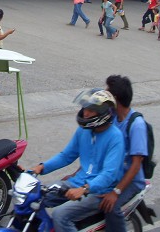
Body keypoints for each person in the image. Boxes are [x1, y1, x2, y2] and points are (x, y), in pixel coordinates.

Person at [29, 89, 124, 232]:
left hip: (98, 192)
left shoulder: (115, 137)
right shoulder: (84, 131)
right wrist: (41, 167)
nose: (85, 113)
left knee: (60, 215)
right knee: (33, 197)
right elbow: (66, 156)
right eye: (85, 108)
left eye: (91, 110)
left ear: (104, 113)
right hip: (76, 183)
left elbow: (108, 175)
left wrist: (84, 189)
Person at [101, 75, 149, 232]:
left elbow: (136, 165)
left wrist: (116, 192)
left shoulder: (136, 125)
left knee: (111, 207)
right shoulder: (113, 118)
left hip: (131, 181)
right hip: (114, 174)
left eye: (108, 95)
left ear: (116, 99)